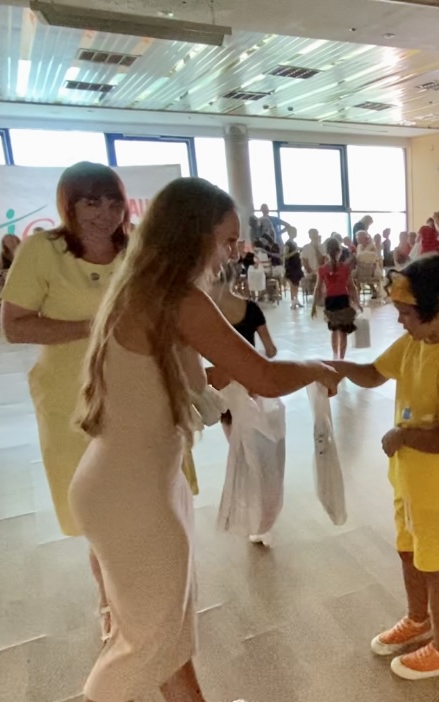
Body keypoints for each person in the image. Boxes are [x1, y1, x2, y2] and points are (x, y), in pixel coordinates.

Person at [72, 177, 336, 702]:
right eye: (227, 240)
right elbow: (264, 375)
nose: (233, 252)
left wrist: (245, 383)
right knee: (145, 644)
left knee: (168, 633)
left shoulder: (145, 288)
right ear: (194, 235)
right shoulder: (177, 298)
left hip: (133, 482)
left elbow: (200, 390)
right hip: (132, 493)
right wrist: (319, 368)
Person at [2, 162, 145, 645]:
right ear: (70, 205)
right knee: (98, 505)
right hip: (72, 395)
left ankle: (146, 589)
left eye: (113, 201)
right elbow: (14, 326)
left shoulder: (136, 248)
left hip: (137, 389)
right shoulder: (44, 250)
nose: (105, 213)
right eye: (91, 202)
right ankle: (109, 598)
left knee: (141, 498)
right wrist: (95, 327)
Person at [329, 257, 439, 680]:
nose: (400, 320)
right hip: (410, 478)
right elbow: (374, 374)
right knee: (409, 550)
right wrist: (333, 368)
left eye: (407, 313)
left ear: (436, 309)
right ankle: (418, 619)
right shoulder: (416, 343)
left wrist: (404, 435)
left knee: (436, 565)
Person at [317, 237, 357, 360]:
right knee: (343, 331)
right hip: (343, 300)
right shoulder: (345, 268)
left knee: (334, 330)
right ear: (339, 252)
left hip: (330, 300)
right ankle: (341, 358)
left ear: (327, 252)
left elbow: (318, 288)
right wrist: (357, 302)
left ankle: (335, 356)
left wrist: (314, 304)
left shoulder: (322, 269)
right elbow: (351, 286)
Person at [282, 225, 304, 309]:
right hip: (291, 266)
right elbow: (286, 255)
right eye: (294, 232)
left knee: (296, 284)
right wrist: (295, 251)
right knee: (292, 284)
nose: (295, 234)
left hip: (296, 266)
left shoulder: (294, 243)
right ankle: (292, 301)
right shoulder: (287, 243)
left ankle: (296, 299)